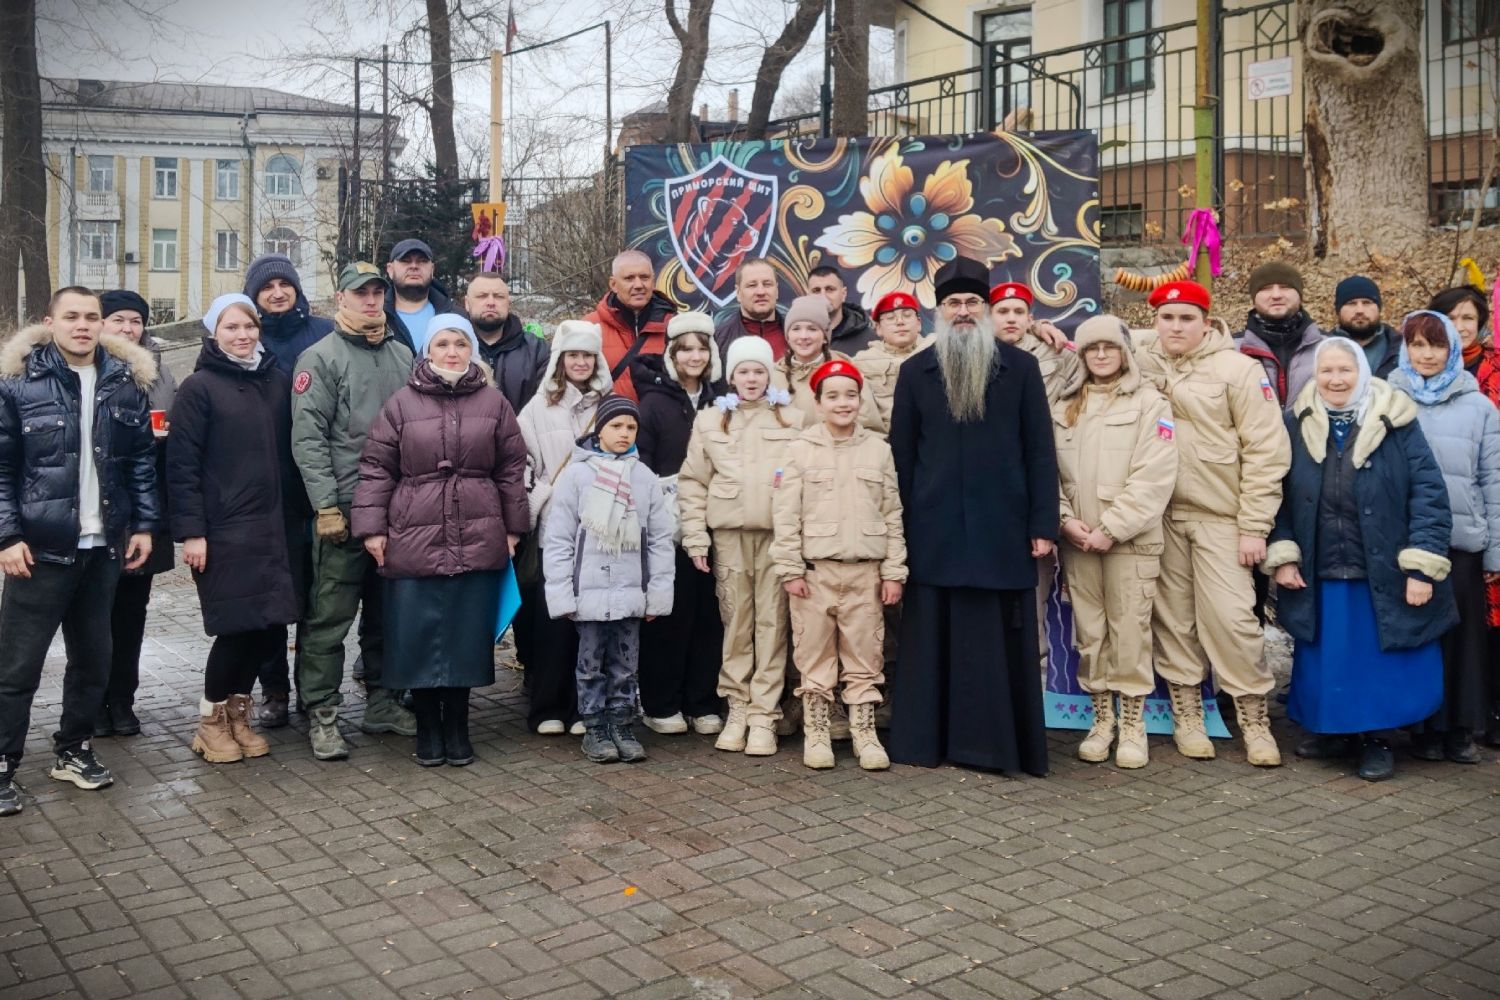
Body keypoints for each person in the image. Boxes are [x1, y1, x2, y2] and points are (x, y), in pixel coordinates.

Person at [886, 256, 1057, 775]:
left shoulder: (1021, 369)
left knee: (996, 641)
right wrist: (900, 532)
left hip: (1001, 528)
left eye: (972, 303)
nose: (963, 311)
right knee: (931, 638)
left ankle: (995, 746)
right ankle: (928, 743)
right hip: (933, 529)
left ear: (985, 310)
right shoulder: (915, 372)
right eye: (954, 303)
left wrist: (1042, 525)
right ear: (939, 311)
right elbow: (900, 456)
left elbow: (1040, 451)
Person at [1267, 337, 1457, 782]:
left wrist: (1420, 566)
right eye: (1327, 370)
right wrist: (1284, 553)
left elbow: (1429, 495)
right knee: (1328, 657)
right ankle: (1333, 731)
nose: (1335, 379)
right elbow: (1277, 497)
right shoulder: (1296, 422)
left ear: (1362, 372)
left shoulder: (1397, 421)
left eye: (1345, 370)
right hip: (1321, 565)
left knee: (1375, 661)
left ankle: (1376, 740)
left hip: (1383, 567)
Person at [0, 287, 159, 815]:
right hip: (39, 551)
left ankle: (73, 750)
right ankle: (3, 765)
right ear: (50, 322)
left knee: (94, 659)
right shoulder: (19, 384)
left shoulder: (125, 384)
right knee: (18, 667)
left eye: (93, 317)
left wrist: (142, 525)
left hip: (103, 548)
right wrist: (7, 537)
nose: (84, 325)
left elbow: (139, 462)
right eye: (72, 316)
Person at [353, 314, 529, 766]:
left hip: (476, 531)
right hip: (415, 535)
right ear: (428, 351)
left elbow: (511, 469)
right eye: (443, 343)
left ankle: (459, 727)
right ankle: (428, 728)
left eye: (461, 344)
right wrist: (372, 529)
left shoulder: (493, 403)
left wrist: (512, 528)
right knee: (418, 636)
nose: (452, 352)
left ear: (471, 350)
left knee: (465, 637)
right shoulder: (400, 405)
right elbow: (376, 468)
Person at [1136, 280, 1290, 766]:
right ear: (1154, 321)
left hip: (1220, 517)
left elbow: (1267, 450)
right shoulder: (1141, 360)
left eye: (1187, 317)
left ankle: (1254, 721)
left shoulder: (1239, 370)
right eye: (1166, 317)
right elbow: (1094, 346)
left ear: (1207, 321)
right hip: (1159, 518)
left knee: (1232, 621)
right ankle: (1188, 715)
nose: (1176, 326)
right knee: (1173, 621)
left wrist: (1254, 525)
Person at [291, 262, 418, 760]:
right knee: (329, 618)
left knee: (389, 616)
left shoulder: (403, 355)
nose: (370, 301)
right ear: (340, 299)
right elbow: (308, 439)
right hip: (342, 510)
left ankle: (383, 703)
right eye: (359, 293)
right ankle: (321, 711)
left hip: (398, 511)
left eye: (376, 293)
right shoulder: (318, 358)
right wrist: (325, 505)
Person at [167, 294, 299, 764]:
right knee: (235, 629)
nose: (242, 336)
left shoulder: (277, 381)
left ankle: (239, 716)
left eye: (249, 327)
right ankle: (210, 721)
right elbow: (181, 466)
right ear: (213, 333)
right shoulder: (198, 388)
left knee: (266, 629)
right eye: (231, 328)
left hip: (274, 529)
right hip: (225, 531)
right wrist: (192, 532)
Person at [1053, 315, 1177, 770]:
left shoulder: (1151, 404)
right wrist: (1066, 522)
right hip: (1079, 542)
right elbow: (1048, 473)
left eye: (1109, 347)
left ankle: (1132, 724)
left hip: (1129, 543)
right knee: (1091, 633)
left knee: (1129, 632)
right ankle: (1101, 719)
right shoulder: (1064, 407)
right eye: (1091, 349)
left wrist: (1113, 527)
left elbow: (1155, 474)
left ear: (1125, 352)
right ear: (1082, 356)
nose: (1101, 355)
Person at [772, 359, 905, 771]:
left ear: (860, 400)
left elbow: (893, 513)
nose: (843, 403)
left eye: (850, 395)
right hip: (815, 573)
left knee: (866, 655)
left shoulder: (878, 450)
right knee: (813, 657)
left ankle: (864, 733)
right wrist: (790, 568)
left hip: (865, 570)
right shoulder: (798, 451)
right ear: (818, 402)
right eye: (833, 396)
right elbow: (785, 514)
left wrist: (893, 571)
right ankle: (817, 732)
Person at [679, 335, 806, 756]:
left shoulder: (793, 418)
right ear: (730, 376)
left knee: (773, 625)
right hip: (729, 538)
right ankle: (736, 705)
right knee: (736, 623)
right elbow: (694, 482)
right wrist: (696, 536)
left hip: (778, 538)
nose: (751, 379)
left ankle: (763, 716)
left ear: (770, 374)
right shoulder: (711, 420)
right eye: (743, 371)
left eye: (758, 371)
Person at [1387, 311, 1500, 764]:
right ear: (1405, 349)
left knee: (1462, 642)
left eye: (1436, 345)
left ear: (1452, 348)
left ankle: (1459, 728)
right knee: (1418, 638)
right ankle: (1421, 729)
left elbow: (1494, 479)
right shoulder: (1388, 398)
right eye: (1417, 344)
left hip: (1461, 541)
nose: (1427, 354)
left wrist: (1495, 549)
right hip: (1404, 543)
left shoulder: (1480, 407)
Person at [543, 395, 675, 763]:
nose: (624, 433)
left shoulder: (643, 477)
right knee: (590, 665)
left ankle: (621, 722)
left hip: (631, 592)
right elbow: (559, 539)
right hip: (588, 593)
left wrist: (657, 594)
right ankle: (595, 726)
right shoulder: (576, 475)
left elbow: (660, 540)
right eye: (616, 425)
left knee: (625, 665)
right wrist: (562, 595)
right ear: (598, 429)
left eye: (631, 427)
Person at [517, 320, 613, 734]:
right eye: (572, 354)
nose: (579, 362)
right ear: (560, 359)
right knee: (550, 622)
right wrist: (539, 498)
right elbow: (518, 461)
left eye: (586, 355)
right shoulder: (538, 407)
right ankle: (546, 707)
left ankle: (582, 707)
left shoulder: (609, 405)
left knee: (589, 624)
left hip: (599, 531)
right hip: (554, 531)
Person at [633, 312, 726, 735]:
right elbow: (642, 467)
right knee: (670, 615)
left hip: (716, 521)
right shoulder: (653, 403)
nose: (694, 355)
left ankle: (701, 700)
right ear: (672, 353)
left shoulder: (725, 400)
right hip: (668, 529)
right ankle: (660, 702)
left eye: (701, 347)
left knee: (710, 616)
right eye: (685, 348)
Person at [243, 253, 325, 726]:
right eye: (266, 286)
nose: (277, 292)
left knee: (315, 597)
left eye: (285, 284)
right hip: (264, 486)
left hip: (313, 487)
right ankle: (274, 689)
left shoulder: (323, 332)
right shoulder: (247, 340)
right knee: (272, 597)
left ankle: (313, 691)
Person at [95, 290, 177, 738]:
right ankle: (91, 702)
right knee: (92, 615)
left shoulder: (159, 371)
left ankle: (122, 701)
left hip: (146, 505)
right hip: (96, 510)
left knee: (131, 613)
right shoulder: (86, 367)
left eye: (136, 321)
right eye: (119, 320)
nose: (128, 329)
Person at [1430, 285, 1500, 746]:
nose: (1461, 326)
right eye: (1452, 318)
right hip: (1420, 535)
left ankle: (1472, 719)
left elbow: (1490, 473)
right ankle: (1427, 724)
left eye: (1469, 318)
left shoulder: (1481, 394)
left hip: (1470, 527)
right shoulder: (1400, 385)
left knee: (1475, 634)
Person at [776, 294, 883, 432]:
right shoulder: (773, 375)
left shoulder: (846, 371)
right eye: (796, 329)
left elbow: (870, 427)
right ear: (788, 336)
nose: (803, 336)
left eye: (812, 329)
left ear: (825, 337)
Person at [584, 250, 675, 402]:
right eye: (629, 278)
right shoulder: (589, 327)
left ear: (653, 281)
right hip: (609, 423)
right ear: (613, 284)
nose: (638, 285)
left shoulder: (674, 327)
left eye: (644, 277)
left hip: (659, 423)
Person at [1234, 261, 1324, 408]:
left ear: (1300, 295)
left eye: (1285, 287)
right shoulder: (1233, 349)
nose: (1276, 295)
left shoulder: (1327, 346)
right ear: (1254, 298)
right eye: (1266, 289)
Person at [466, 271, 548, 414]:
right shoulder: (445, 348)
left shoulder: (537, 351)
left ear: (508, 303)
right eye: (482, 296)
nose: (491, 302)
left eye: (499, 296)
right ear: (467, 303)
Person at [853, 290, 933, 434]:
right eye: (890, 318)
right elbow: (863, 413)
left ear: (919, 324)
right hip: (884, 439)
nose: (900, 322)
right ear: (878, 328)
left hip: (932, 437)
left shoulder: (937, 350)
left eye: (907, 315)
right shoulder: (862, 362)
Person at [243, 253, 334, 376]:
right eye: (267, 287)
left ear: (296, 289)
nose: (279, 294)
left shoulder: (327, 332)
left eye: (284, 284)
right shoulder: (243, 339)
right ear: (254, 296)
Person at [988, 281, 1079, 403]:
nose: (1011, 319)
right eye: (1003, 312)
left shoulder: (1056, 351)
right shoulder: (975, 356)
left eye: (1019, 312)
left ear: (1029, 320)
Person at [382, 238, 451, 354]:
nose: (414, 266)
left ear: (432, 269)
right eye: (405, 261)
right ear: (390, 269)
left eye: (422, 261)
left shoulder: (453, 316)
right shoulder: (375, 317)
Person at [714, 258, 787, 361]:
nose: (761, 292)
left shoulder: (798, 336)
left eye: (767, 284)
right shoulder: (718, 340)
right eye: (752, 285)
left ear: (777, 290)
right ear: (738, 293)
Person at [1332, 275, 1399, 378]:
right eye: (1351, 303)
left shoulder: (1401, 347)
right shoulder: (1321, 348)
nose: (1360, 310)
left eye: (1367, 303)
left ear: (1378, 308)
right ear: (1338, 310)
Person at [807, 265, 876, 354]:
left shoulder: (870, 341)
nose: (823, 296)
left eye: (830, 289)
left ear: (843, 294)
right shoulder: (795, 338)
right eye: (816, 291)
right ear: (807, 296)